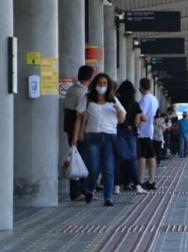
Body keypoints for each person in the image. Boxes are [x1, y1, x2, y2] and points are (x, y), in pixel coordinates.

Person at [72, 73, 126, 207]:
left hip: (109, 137)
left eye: (105, 84)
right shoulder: (87, 98)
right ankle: (89, 189)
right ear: (94, 84)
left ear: (108, 86)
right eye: (99, 83)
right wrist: (75, 137)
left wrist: (118, 109)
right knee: (94, 168)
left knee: (108, 168)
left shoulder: (113, 100)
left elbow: (122, 119)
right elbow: (78, 117)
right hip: (92, 136)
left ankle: (108, 197)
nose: (102, 86)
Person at [63, 65, 94, 201]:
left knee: (76, 159)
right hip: (78, 131)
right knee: (81, 161)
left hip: (70, 129)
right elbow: (81, 116)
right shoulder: (82, 93)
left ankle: (78, 191)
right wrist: (80, 133)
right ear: (90, 77)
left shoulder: (71, 89)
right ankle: (80, 191)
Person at [114, 81, 147, 195]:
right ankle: (137, 186)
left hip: (117, 131)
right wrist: (136, 124)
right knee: (132, 160)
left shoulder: (116, 102)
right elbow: (143, 118)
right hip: (130, 133)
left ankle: (117, 186)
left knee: (117, 160)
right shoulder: (134, 103)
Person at [137, 78, 159, 190]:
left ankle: (140, 181)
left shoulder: (145, 99)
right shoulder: (155, 99)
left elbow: (142, 116)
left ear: (141, 86)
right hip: (149, 130)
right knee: (151, 156)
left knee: (142, 156)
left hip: (143, 132)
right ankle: (151, 180)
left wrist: (137, 129)